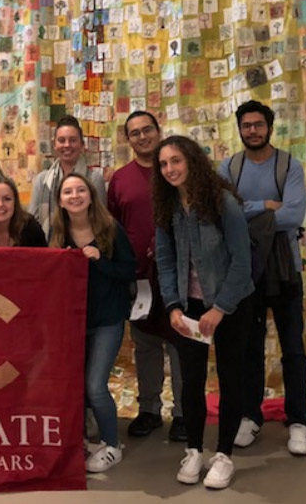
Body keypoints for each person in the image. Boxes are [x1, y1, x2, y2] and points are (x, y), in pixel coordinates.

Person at [153, 136, 253, 490]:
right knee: (190, 381)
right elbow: (165, 261)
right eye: (164, 164)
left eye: (176, 161)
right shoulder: (167, 208)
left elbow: (243, 262)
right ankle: (194, 449)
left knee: (230, 377)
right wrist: (173, 307)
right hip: (189, 306)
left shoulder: (223, 203)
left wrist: (221, 309)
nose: (170, 169)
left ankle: (223, 454)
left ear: (192, 161)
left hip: (231, 304)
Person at [217, 100, 306, 456]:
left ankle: (298, 420)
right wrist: (266, 205)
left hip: (285, 267)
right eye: (246, 125)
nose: (252, 131)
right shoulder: (230, 166)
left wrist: (250, 210)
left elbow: (292, 215)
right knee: (248, 348)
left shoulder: (289, 165)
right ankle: (249, 415)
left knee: (293, 348)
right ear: (239, 129)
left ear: (270, 127)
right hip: (244, 269)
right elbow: (224, 213)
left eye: (258, 124)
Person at [107, 110, 186, 442]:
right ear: (128, 140)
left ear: (158, 131)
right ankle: (150, 409)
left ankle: (183, 413)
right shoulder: (120, 180)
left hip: (181, 276)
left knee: (181, 344)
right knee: (146, 346)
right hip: (139, 279)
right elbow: (111, 229)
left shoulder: (175, 172)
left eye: (147, 130)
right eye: (135, 133)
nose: (142, 137)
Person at [49, 172, 136, 474]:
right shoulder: (58, 234)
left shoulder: (110, 229)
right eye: (68, 192)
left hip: (107, 320)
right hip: (73, 321)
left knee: (95, 385)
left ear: (91, 195)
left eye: (80, 190)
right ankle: (84, 439)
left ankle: (113, 444)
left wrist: (101, 260)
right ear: (60, 200)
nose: (74, 196)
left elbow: (129, 270)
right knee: (77, 386)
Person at [29, 115, 107, 238]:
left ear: (82, 145)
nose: (67, 145)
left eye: (73, 140)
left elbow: (101, 221)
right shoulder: (42, 180)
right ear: (54, 145)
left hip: (85, 248)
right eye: (61, 140)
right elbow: (32, 222)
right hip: (48, 249)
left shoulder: (94, 179)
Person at [0, 176, 46, 250]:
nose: (0, 204)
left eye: (7, 199)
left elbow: (45, 259)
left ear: (15, 203)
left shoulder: (30, 227)